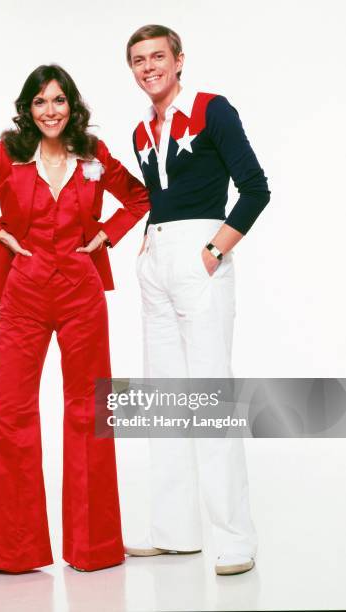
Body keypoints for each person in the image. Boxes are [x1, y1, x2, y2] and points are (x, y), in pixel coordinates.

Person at [0, 64, 150, 578]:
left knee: (89, 412)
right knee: (9, 412)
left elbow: (140, 198)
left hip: (81, 293)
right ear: (27, 110)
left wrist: (107, 234)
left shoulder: (94, 156)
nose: (50, 111)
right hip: (24, 294)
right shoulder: (8, 156)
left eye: (58, 100)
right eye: (39, 102)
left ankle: (95, 547)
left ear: (72, 106)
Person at [124, 24, 270, 575]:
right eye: (138, 60)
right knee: (163, 400)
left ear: (179, 60)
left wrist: (212, 251)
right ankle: (175, 531)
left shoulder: (212, 108)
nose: (148, 67)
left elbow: (255, 188)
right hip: (156, 263)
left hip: (199, 258)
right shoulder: (141, 130)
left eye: (157, 56)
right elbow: (159, 198)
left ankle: (235, 538)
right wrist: (147, 245)